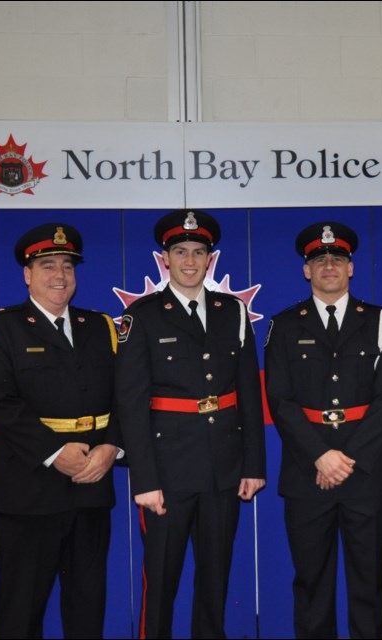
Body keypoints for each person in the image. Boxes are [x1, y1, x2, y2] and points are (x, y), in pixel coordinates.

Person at [114, 209, 266, 639]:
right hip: (166, 471)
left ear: (209, 258)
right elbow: (131, 401)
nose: (189, 260)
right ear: (165, 259)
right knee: (161, 580)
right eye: (180, 251)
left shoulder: (231, 312)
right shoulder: (141, 316)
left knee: (214, 580)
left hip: (223, 467)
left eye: (198, 252)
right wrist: (143, 478)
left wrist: (253, 465)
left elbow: (248, 395)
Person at [0, 222, 122, 639]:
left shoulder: (102, 327)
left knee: (87, 609)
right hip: (29, 490)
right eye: (47, 265)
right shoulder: (0, 329)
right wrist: (58, 453)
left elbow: (126, 397)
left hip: (92, 483)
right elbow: (0, 404)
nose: (59, 275)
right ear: (27, 273)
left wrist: (112, 446)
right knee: (22, 611)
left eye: (67, 266)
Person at [264, 222, 382, 639]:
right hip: (308, 474)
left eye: (337, 259)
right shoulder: (285, 325)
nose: (328, 266)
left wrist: (347, 459)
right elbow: (281, 401)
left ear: (351, 268)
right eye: (319, 260)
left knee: (369, 583)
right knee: (311, 585)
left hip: (364, 473)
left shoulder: (379, 322)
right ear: (307, 271)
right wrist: (321, 456)